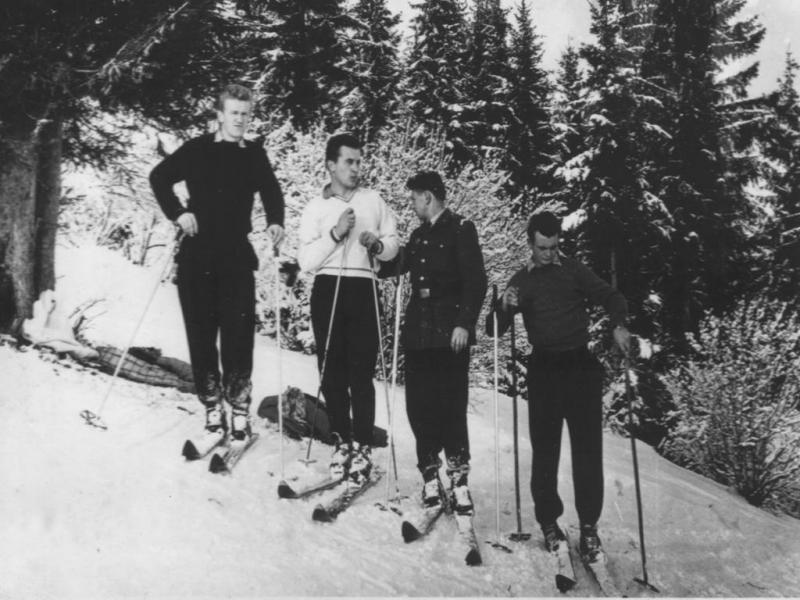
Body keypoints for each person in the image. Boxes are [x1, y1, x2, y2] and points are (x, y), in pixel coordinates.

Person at [490, 211, 631, 559]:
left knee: (587, 452)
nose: (550, 254)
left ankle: (588, 528)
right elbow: (492, 331)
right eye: (543, 248)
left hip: (580, 367)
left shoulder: (574, 270)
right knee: (545, 452)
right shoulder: (521, 281)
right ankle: (549, 523)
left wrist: (619, 324)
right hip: (544, 371)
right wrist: (503, 307)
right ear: (530, 244)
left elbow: (612, 297)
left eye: (554, 247)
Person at [149, 83, 285, 442]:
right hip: (197, 255)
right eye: (234, 113)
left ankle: (239, 410)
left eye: (246, 113)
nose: (240, 119)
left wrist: (275, 221)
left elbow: (272, 190)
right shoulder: (197, 149)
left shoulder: (254, 154)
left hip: (236, 257)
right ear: (220, 114)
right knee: (201, 335)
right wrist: (178, 214)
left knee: (239, 336)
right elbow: (159, 177)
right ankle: (212, 407)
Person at [297, 132, 399, 483]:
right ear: (331, 165)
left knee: (361, 371)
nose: (356, 168)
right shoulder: (315, 207)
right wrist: (336, 234)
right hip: (328, 287)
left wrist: (379, 245)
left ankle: (363, 446)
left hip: (363, 287)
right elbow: (306, 261)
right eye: (349, 162)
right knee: (332, 370)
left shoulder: (374, 200)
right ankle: (341, 440)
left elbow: (394, 245)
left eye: (359, 161)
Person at [390, 171, 487, 512]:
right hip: (419, 332)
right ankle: (430, 474)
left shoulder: (462, 229)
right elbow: (398, 264)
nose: (412, 204)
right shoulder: (417, 237)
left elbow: (476, 281)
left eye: (414, 197)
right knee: (419, 406)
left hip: (450, 334)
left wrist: (464, 323)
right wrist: (376, 248)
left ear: (428, 197)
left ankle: (459, 479)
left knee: (451, 407)